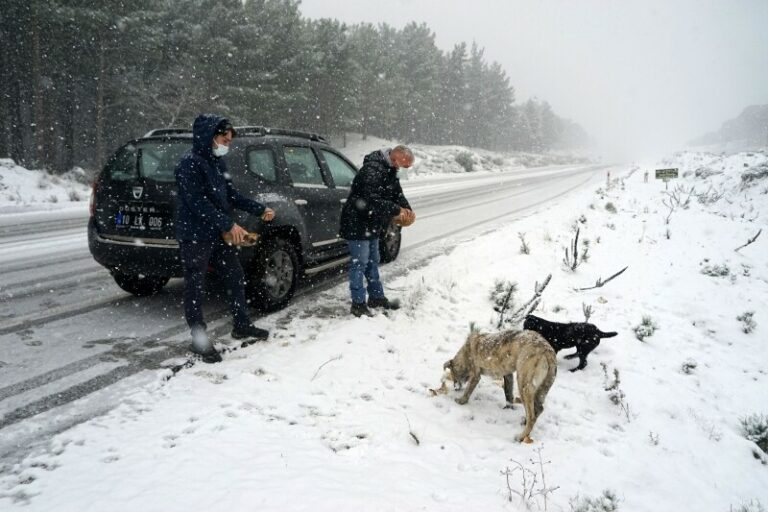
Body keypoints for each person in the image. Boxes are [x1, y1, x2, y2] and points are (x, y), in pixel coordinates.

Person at [175, 114, 275, 363]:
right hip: (196, 234)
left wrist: (258, 208)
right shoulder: (190, 164)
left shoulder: (218, 163)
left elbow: (230, 195)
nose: (227, 144)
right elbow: (197, 202)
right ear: (209, 136)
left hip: (219, 233)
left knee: (235, 275)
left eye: (229, 140)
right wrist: (228, 223)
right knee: (195, 285)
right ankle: (199, 340)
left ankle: (241, 324)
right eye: (223, 139)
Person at [339, 145, 416, 317]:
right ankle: (358, 303)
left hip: (372, 223)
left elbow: (397, 194)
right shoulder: (372, 170)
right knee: (360, 263)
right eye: (402, 165)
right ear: (395, 157)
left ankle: (376, 297)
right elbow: (369, 199)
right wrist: (396, 210)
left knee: (373, 260)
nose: (401, 169)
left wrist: (407, 209)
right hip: (357, 222)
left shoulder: (389, 170)